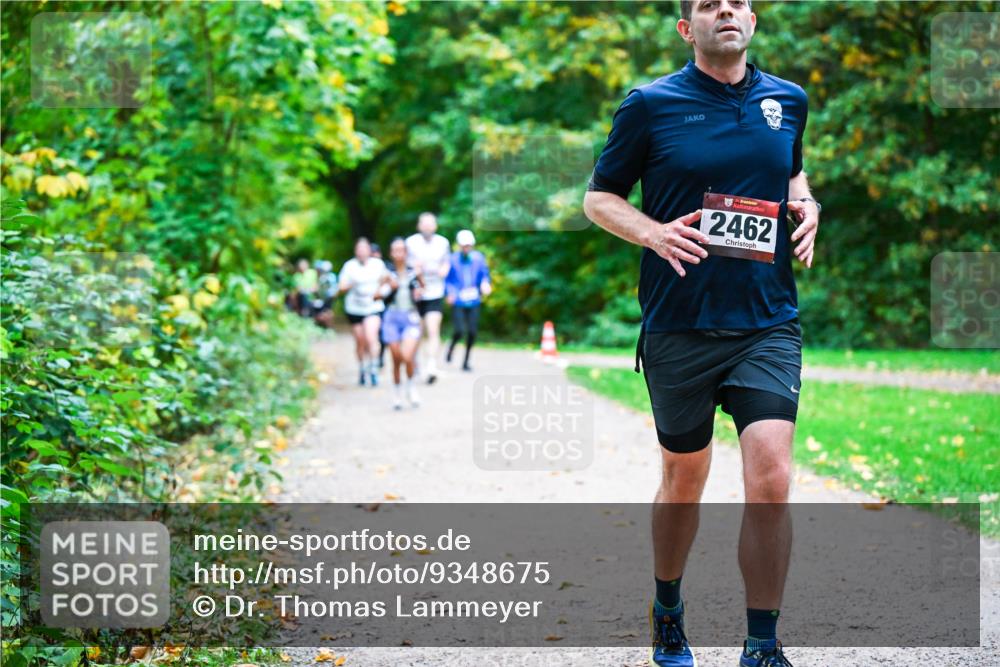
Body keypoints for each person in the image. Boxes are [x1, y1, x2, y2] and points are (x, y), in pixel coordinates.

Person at [582, 1, 820, 666]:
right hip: (679, 324)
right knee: (684, 477)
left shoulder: (788, 100)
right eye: (711, 2)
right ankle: (667, 608)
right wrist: (654, 233)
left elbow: (792, 173)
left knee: (771, 475)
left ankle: (763, 643)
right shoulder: (649, 105)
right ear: (687, 28)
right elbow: (598, 198)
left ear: (752, 22)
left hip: (767, 320)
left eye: (740, 1)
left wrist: (809, 205)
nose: (728, 9)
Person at [375, 238, 424, 410]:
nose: (399, 253)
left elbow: (422, 291)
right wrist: (388, 287)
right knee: (396, 359)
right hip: (391, 318)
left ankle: (411, 386)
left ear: (406, 252)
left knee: (407, 356)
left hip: (410, 317)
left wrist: (420, 280)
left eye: (402, 250)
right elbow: (376, 296)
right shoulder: (386, 272)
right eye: (395, 250)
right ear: (391, 253)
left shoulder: (413, 272)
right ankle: (397, 393)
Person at [405, 212, 452, 384]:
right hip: (416, 293)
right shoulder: (411, 243)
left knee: (433, 329)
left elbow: (446, 263)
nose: (427, 227)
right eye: (424, 223)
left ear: (435, 226)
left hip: (435, 292)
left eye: (430, 223)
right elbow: (407, 265)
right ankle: (416, 362)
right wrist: (418, 274)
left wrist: (443, 271)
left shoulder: (442, 243)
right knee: (417, 331)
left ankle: (431, 365)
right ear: (419, 226)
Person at [338, 238, 388, 387]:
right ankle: (362, 368)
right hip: (354, 308)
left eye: (364, 248)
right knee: (360, 341)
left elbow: (387, 281)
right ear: (356, 251)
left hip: (373, 307)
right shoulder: (349, 266)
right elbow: (341, 287)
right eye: (359, 249)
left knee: (371, 337)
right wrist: (348, 285)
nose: (361, 252)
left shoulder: (378, 265)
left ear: (369, 250)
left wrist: (380, 292)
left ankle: (373, 368)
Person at [444, 229, 491, 372]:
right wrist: (450, 293)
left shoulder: (478, 258)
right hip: (458, 300)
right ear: (459, 245)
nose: (466, 248)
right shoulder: (452, 259)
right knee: (459, 330)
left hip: (474, 299)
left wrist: (485, 283)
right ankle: (451, 347)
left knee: (472, 332)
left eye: (468, 245)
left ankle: (466, 361)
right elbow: (448, 280)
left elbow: (484, 275)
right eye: (464, 245)